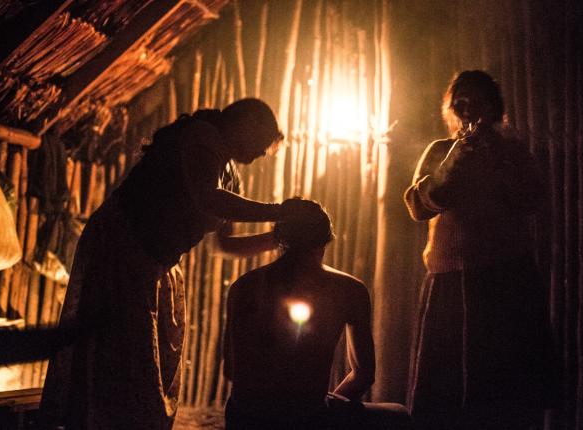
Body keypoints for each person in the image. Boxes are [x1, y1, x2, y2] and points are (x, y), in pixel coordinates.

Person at [36, 98, 313, 429]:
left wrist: (279, 238)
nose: (261, 154)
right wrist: (279, 212)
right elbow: (208, 198)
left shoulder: (230, 175)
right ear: (245, 126)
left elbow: (225, 244)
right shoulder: (201, 136)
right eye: (262, 143)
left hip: (154, 263)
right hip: (123, 248)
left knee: (147, 365)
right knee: (123, 359)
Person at [404, 71, 553, 429]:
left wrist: (497, 162)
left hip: (505, 278)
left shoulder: (513, 152)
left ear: (493, 107)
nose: (468, 109)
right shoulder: (440, 150)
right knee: (448, 386)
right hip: (450, 280)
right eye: (461, 103)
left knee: (505, 385)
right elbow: (418, 207)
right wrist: (452, 163)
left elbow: (533, 199)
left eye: (477, 102)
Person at [224, 200, 411, 429]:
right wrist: (318, 403)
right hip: (307, 419)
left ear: (279, 239)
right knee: (398, 415)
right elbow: (363, 375)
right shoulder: (349, 290)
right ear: (326, 240)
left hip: (244, 418)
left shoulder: (243, 286)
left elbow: (231, 370)